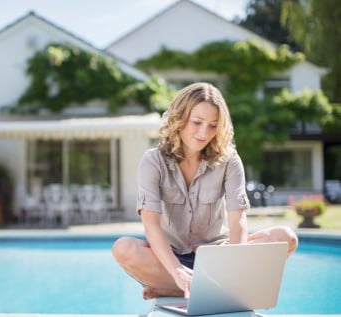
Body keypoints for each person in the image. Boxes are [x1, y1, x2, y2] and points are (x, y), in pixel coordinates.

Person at [112, 82, 298, 300]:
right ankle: (189, 284)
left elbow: (238, 219)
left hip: (220, 257)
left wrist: (235, 265)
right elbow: (151, 225)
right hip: (171, 259)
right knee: (123, 248)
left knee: (286, 237)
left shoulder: (229, 160)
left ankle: (173, 289)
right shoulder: (152, 161)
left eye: (213, 125)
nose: (204, 133)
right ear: (179, 118)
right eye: (197, 122)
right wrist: (177, 270)